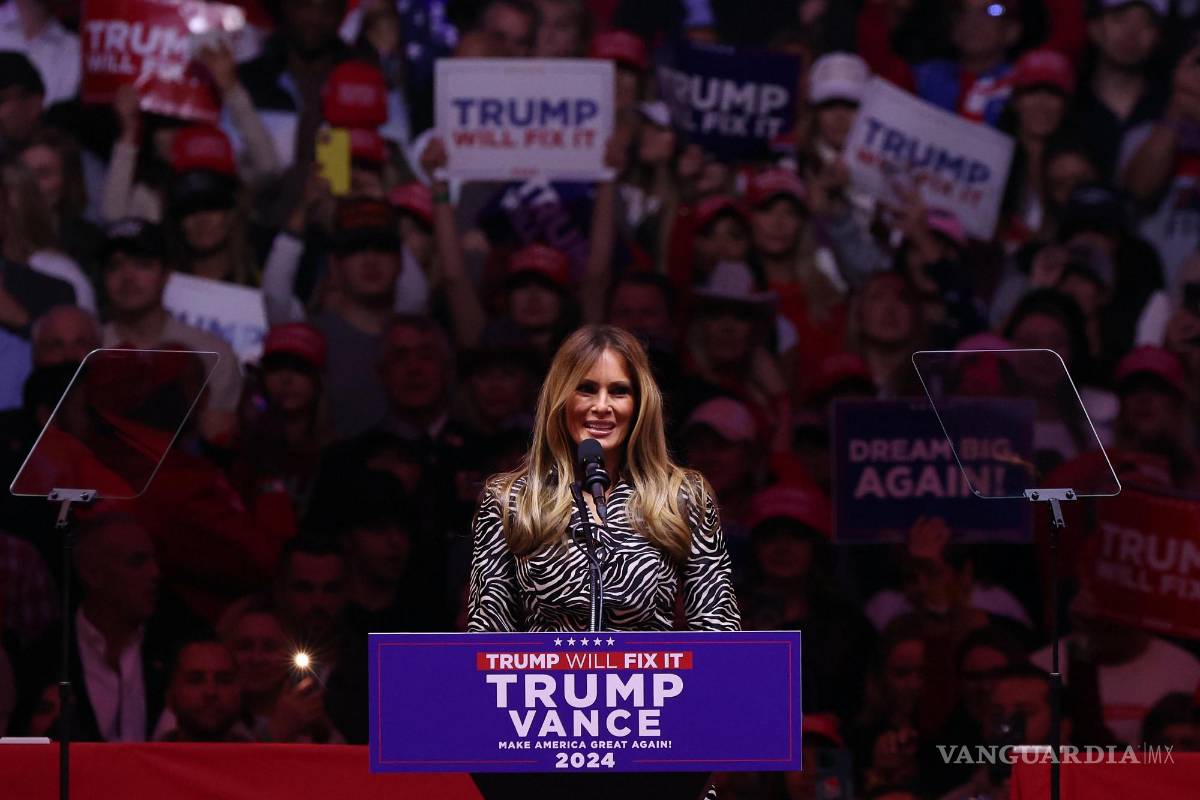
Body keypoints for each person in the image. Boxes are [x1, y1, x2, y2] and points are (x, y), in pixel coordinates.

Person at [467, 323, 736, 798]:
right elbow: (485, 642)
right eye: (586, 389)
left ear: (640, 404)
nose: (602, 406)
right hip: (540, 748)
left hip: (661, 747)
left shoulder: (681, 496)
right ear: (560, 398)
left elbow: (719, 635)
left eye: (619, 391)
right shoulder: (510, 500)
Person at [97, 217, 242, 445]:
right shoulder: (88, 350)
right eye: (114, 266)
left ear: (166, 274)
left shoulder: (212, 353)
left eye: (142, 264)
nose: (127, 277)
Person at [158, 639, 253, 742]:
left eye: (224, 680)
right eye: (195, 680)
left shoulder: (263, 757)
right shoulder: (145, 757)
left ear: (239, 694)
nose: (211, 692)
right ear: (170, 698)